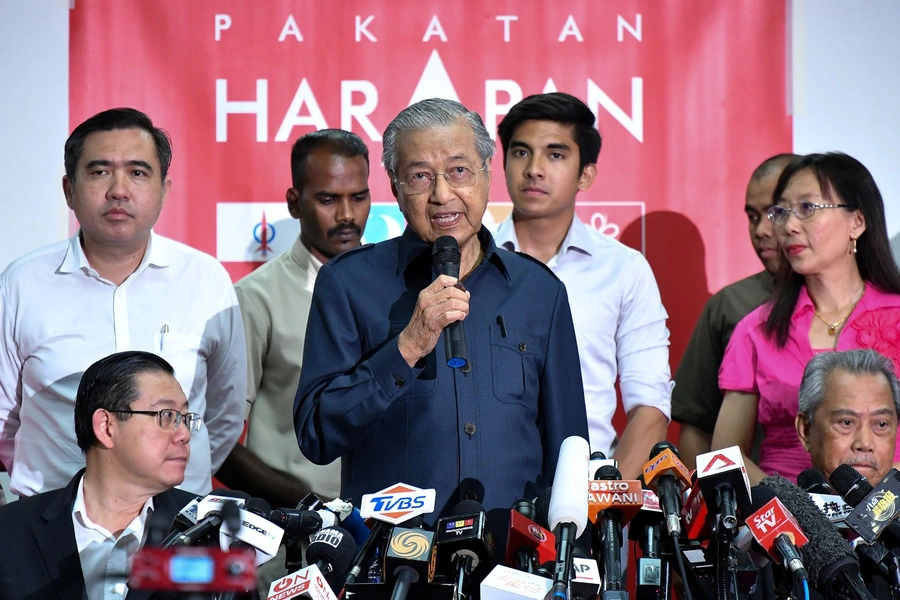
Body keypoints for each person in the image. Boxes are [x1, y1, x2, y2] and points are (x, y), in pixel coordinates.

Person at [293, 98, 589, 538]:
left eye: (459, 171)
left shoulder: (539, 292)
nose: (442, 194)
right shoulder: (348, 284)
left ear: (489, 173)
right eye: (420, 177)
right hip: (393, 564)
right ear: (394, 188)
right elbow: (317, 434)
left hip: (513, 562)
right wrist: (407, 347)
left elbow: (569, 451)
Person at [0, 108, 247, 497]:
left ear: (164, 190)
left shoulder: (205, 279)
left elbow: (224, 415)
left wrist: (164, 483)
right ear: (69, 189)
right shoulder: (22, 283)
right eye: (99, 172)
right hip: (51, 524)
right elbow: (3, 422)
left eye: (137, 172)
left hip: (175, 525)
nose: (118, 189)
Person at [492, 92, 669, 479]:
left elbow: (651, 409)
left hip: (588, 489)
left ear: (585, 174)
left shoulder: (624, 269)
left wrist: (600, 501)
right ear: (503, 164)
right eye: (521, 153)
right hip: (481, 490)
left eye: (555, 155)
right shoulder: (470, 259)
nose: (534, 169)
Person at [712, 152, 900, 484]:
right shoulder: (755, 330)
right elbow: (726, 457)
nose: (788, 226)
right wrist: (796, 510)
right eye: (782, 212)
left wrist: (879, 508)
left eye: (807, 209)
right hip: (785, 523)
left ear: (856, 221)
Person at [217, 129, 371, 508]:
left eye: (359, 197)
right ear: (294, 203)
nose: (347, 215)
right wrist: (309, 506)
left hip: (386, 530)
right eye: (327, 199)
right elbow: (218, 440)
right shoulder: (256, 297)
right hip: (290, 537)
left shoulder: (399, 288)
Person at [0, 351, 198, 599]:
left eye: (186, 418)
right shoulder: (9, 532)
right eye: (167, 416)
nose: (184, 434)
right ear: (106, 426)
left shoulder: (208, 529)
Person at [674, 154, 798, 469]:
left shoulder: (878, 307)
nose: (760, 230)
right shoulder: (732, 308)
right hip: (755, 507)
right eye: (753, 216)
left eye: (775, 212)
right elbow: (697, 427)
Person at [796, 349, 900, 485]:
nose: (865, 444)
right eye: (846, 422)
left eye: (881, 424)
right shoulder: (778, 506)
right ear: (806, 430)